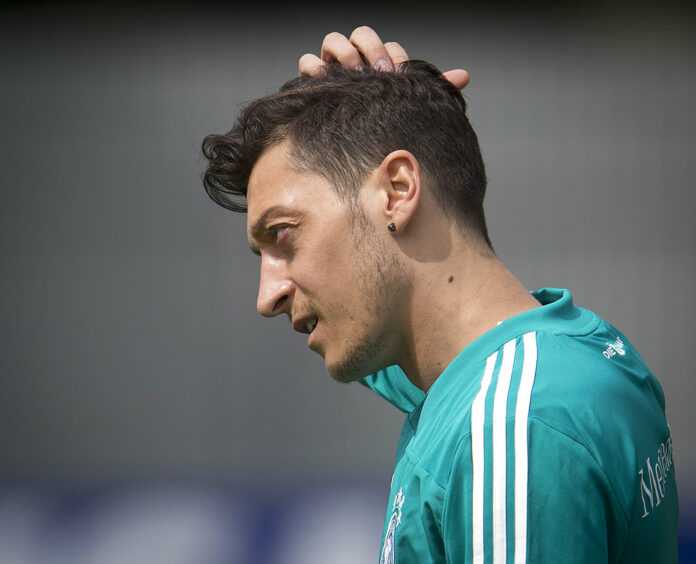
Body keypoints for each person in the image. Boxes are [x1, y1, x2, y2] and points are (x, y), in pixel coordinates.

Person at [202, 26, 678, 563]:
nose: (267, 295)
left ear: (398, 191)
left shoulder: (510, 430)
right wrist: (386, 106)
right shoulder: (554, 363)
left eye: (284, 233)